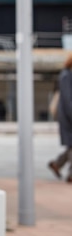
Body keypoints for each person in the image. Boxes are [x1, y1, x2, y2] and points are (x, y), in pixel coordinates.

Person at [48, 53, 72, 183]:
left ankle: (57, 164)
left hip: (68, 115)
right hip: (68, 116)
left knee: (70, 145)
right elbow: (68, 99)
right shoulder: (66, 76)